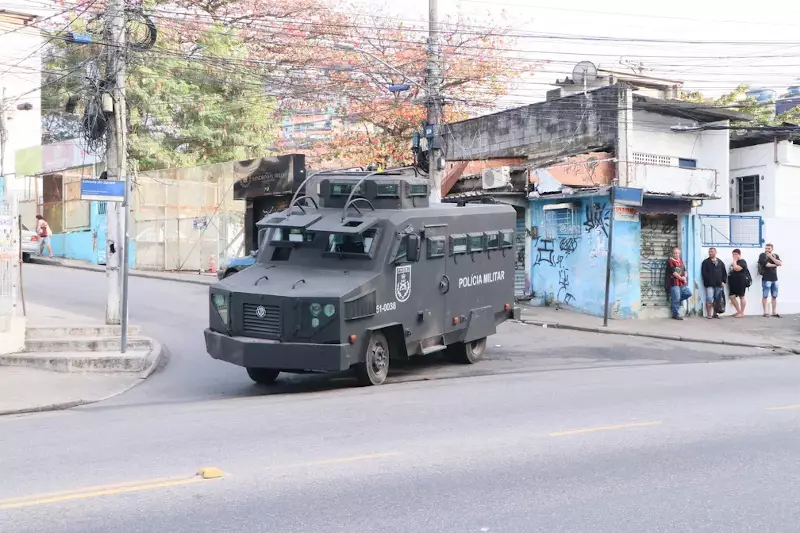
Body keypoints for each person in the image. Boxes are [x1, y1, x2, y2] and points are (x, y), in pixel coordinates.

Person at [758, 243, 783, 318]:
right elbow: (766, 265)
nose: (767, 250)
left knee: (774, 296)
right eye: (766, 248)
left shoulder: (775, 256)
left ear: (772, 249)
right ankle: (765, 312)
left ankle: (774, 312)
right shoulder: (762, 255)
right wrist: (775, 264)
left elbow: (780, 263)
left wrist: (771, 258)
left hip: (774, 279)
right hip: (766, 278)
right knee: (765, 295)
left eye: (768, 248)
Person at [701, 247, 727, 319]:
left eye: (712, 252)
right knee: (709, 299)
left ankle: (715, 313)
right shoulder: (705, 262)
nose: (710, 253)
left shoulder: (720, 262)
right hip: (709, 284)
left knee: (717, 299)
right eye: (709, 252)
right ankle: (709, 314)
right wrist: (708, 280)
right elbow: (704, 273)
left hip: (718, 284)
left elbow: (724, 273)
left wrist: (723, 281)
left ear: (715, 252)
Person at [667, 247, 691, 320]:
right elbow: (673, 272)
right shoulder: (670, 261)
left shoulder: (681, 261)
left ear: (679, 254)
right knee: (676, 298)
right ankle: (675, 314)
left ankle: (675, 302)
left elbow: (685, 270)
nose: (675, 254)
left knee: (688, 293)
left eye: (676, 253)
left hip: (682, 283)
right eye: (674, 253)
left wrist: (685, 277)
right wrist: (681, 278)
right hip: (674, 283)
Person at [728, 249, 751, 318]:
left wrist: (734, 261)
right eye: (733, 254)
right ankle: (738, 311)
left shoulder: (742, 262)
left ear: (739, 255)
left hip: (741, 282)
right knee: (731, 296)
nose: (734, 256)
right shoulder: (734, 262)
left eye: (735, 254)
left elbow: (736, 268)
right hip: (733, 282)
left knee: (742, 296)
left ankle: (742, 312)